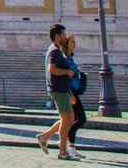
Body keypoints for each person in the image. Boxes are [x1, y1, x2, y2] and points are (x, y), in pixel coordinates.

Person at [37, 23, 77, 160]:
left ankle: (44, 137)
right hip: (58, 89)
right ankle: (62, 152)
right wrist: (68, 71)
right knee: (67, 119)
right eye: (63, 35)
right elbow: (52, 69)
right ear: (57, 36)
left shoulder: (57, 50)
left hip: (62, 89)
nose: (65, 37)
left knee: (69, 119)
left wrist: (69, 92)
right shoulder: (54, 51)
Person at [64, 34, 87, 155]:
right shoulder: (65, 59)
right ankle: (68, 145)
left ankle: (70, 146)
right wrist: (70, 94)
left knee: (76, 119)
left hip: (73, 92)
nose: (75, 44)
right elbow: (64, 78)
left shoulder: (70, 58)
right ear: (66, 44)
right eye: (72, 42)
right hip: (70, 93)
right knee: (80, 119)